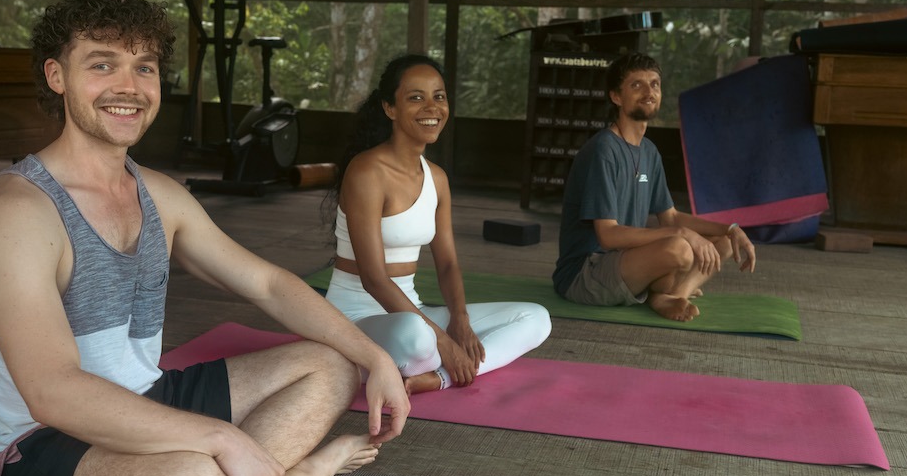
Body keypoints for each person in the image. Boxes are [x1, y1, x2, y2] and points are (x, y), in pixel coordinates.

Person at [0, 0, 409, 476]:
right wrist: (222, 439)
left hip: (149, 399)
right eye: (102, 65)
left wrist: (375, 357)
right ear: (56, 76)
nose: (129, 87)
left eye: (144, 67)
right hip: (45, 442)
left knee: (332, 364)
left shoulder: (159, 194)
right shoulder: (18, 213)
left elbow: (267, 284)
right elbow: (52, 392)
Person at [324, 53, 552, 394]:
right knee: (418, 338)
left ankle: (436, 378)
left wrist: (460, 321)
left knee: (535, 318)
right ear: (390, 108)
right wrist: (443, 341)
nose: (432, 108)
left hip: (411, 311)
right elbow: (373, 278)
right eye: (416, 97)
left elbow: (447, 264)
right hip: (354, 317)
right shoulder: (367, 171)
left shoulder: (437, 179)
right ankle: (415, 361)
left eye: (439, 96)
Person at [553, 52, 757, 322]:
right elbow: (608, 236)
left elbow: (670, 217)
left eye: (655, 84)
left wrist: (731, 229)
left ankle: (670, 295)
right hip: (586, 274)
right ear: (616, 96)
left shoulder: (649, 151)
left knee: (725, 242)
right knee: (680, 249)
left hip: (627, 262)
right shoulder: (604, 149)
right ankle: (664, 290)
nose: (649, 92)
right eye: (637, 85)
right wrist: (683, 234)